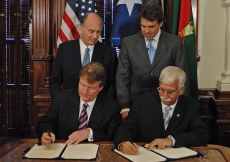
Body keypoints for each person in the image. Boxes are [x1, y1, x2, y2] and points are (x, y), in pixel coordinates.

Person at [116, 2, 189, 120]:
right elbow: (122, 77)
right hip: (136, 105)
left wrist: (180, 107)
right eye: (143, 26)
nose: (146, 31)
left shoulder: (174, 43)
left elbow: (182, 78)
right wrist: (125, 107)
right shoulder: (128, 43)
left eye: (151, 26)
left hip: (166, 103)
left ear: (160, 23)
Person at [114, 66, 208, 155]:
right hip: (147, 156)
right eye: (161, 89)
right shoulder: (142, 102)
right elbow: (126, 128)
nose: (164, 96)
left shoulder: (190, 106)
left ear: (181, 90)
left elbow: (202, 134)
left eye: (170, 92)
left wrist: (171, 140)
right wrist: (123, 142)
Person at [37, 62, 121, 146]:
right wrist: (46, 133)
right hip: (65, 149)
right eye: (82, 85)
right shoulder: (62, 98)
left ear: (101, 88)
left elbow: (113, 135)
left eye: (91, 88)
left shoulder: (111, 107)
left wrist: (89, 133)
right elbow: (46, 122)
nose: (85, 92)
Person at [49, 13, 117, 100]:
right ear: (81, 28)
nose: (95, 36)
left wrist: (106, 105)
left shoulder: (109, 52)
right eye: (91, 31)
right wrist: (59, 104)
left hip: (99, 107)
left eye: (98, 32)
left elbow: (113, 83)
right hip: (69, 105)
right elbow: (55, 80)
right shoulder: (65, 49)